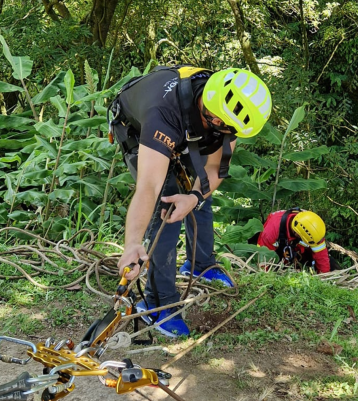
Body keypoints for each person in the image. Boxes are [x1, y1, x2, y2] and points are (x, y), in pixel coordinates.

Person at [111, 66, 272, 338]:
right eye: (224, 127)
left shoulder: (226, 111)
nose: (228, 134)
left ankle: (200, 264)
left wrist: (195, 197)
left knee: (195, 192)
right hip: (139, 128)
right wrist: (132, 244)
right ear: (211, 113)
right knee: (167, 204)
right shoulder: (163, 114)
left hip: (188, 127)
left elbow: (214, 168)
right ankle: (157, 303)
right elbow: (148, 187)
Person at [251, 209, 341, 274]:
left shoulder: (313, 229)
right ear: (297, 233)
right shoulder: (271, 230)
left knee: (331, 263)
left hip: (299, 254)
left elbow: (322, 257)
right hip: (278, 256)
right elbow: (262, 257)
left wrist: (324, 277)